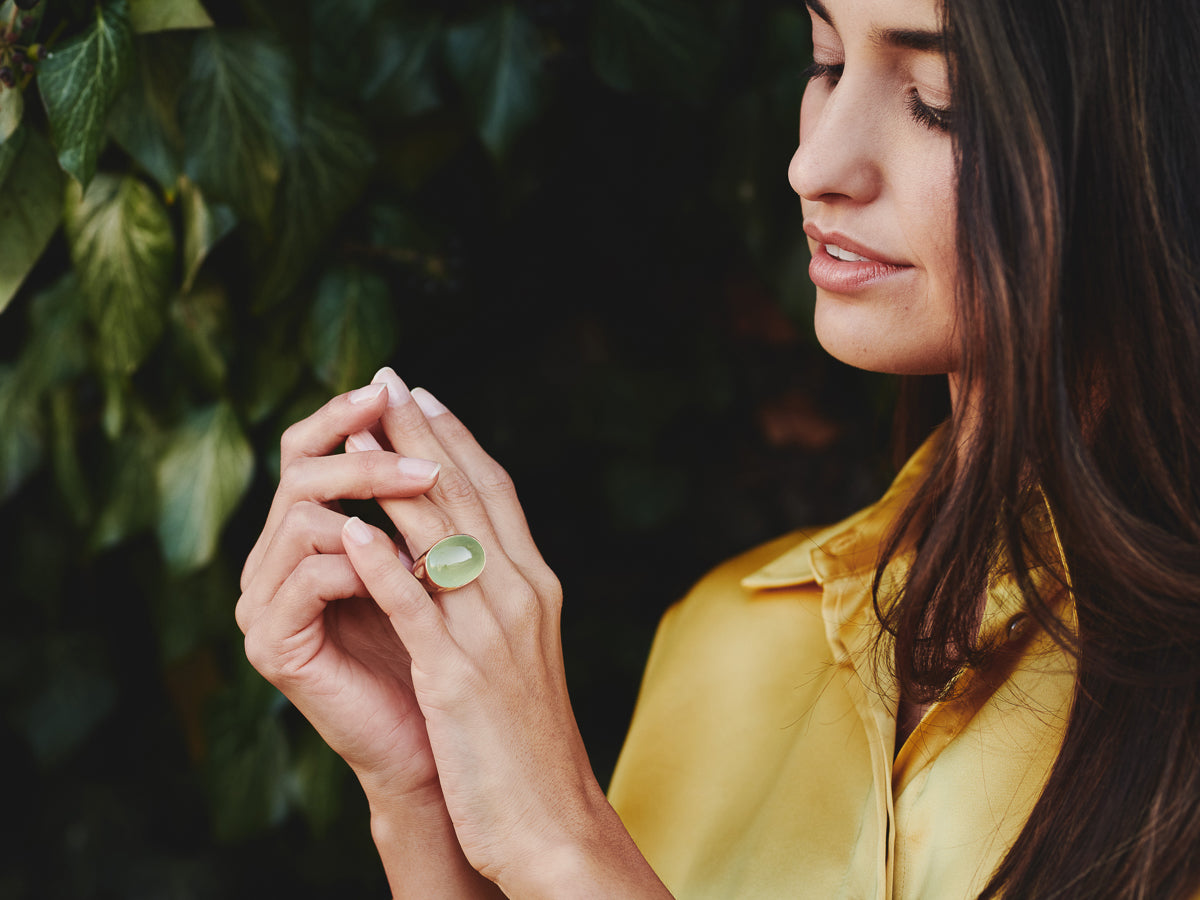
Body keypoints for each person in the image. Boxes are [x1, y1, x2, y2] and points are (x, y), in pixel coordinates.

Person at [235, 0, 1200, 895]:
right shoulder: (722, 643)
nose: (813, 164)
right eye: (824, 62)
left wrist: (565, 841)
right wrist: (431, 800)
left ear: (1149, 131)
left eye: (943, 103)